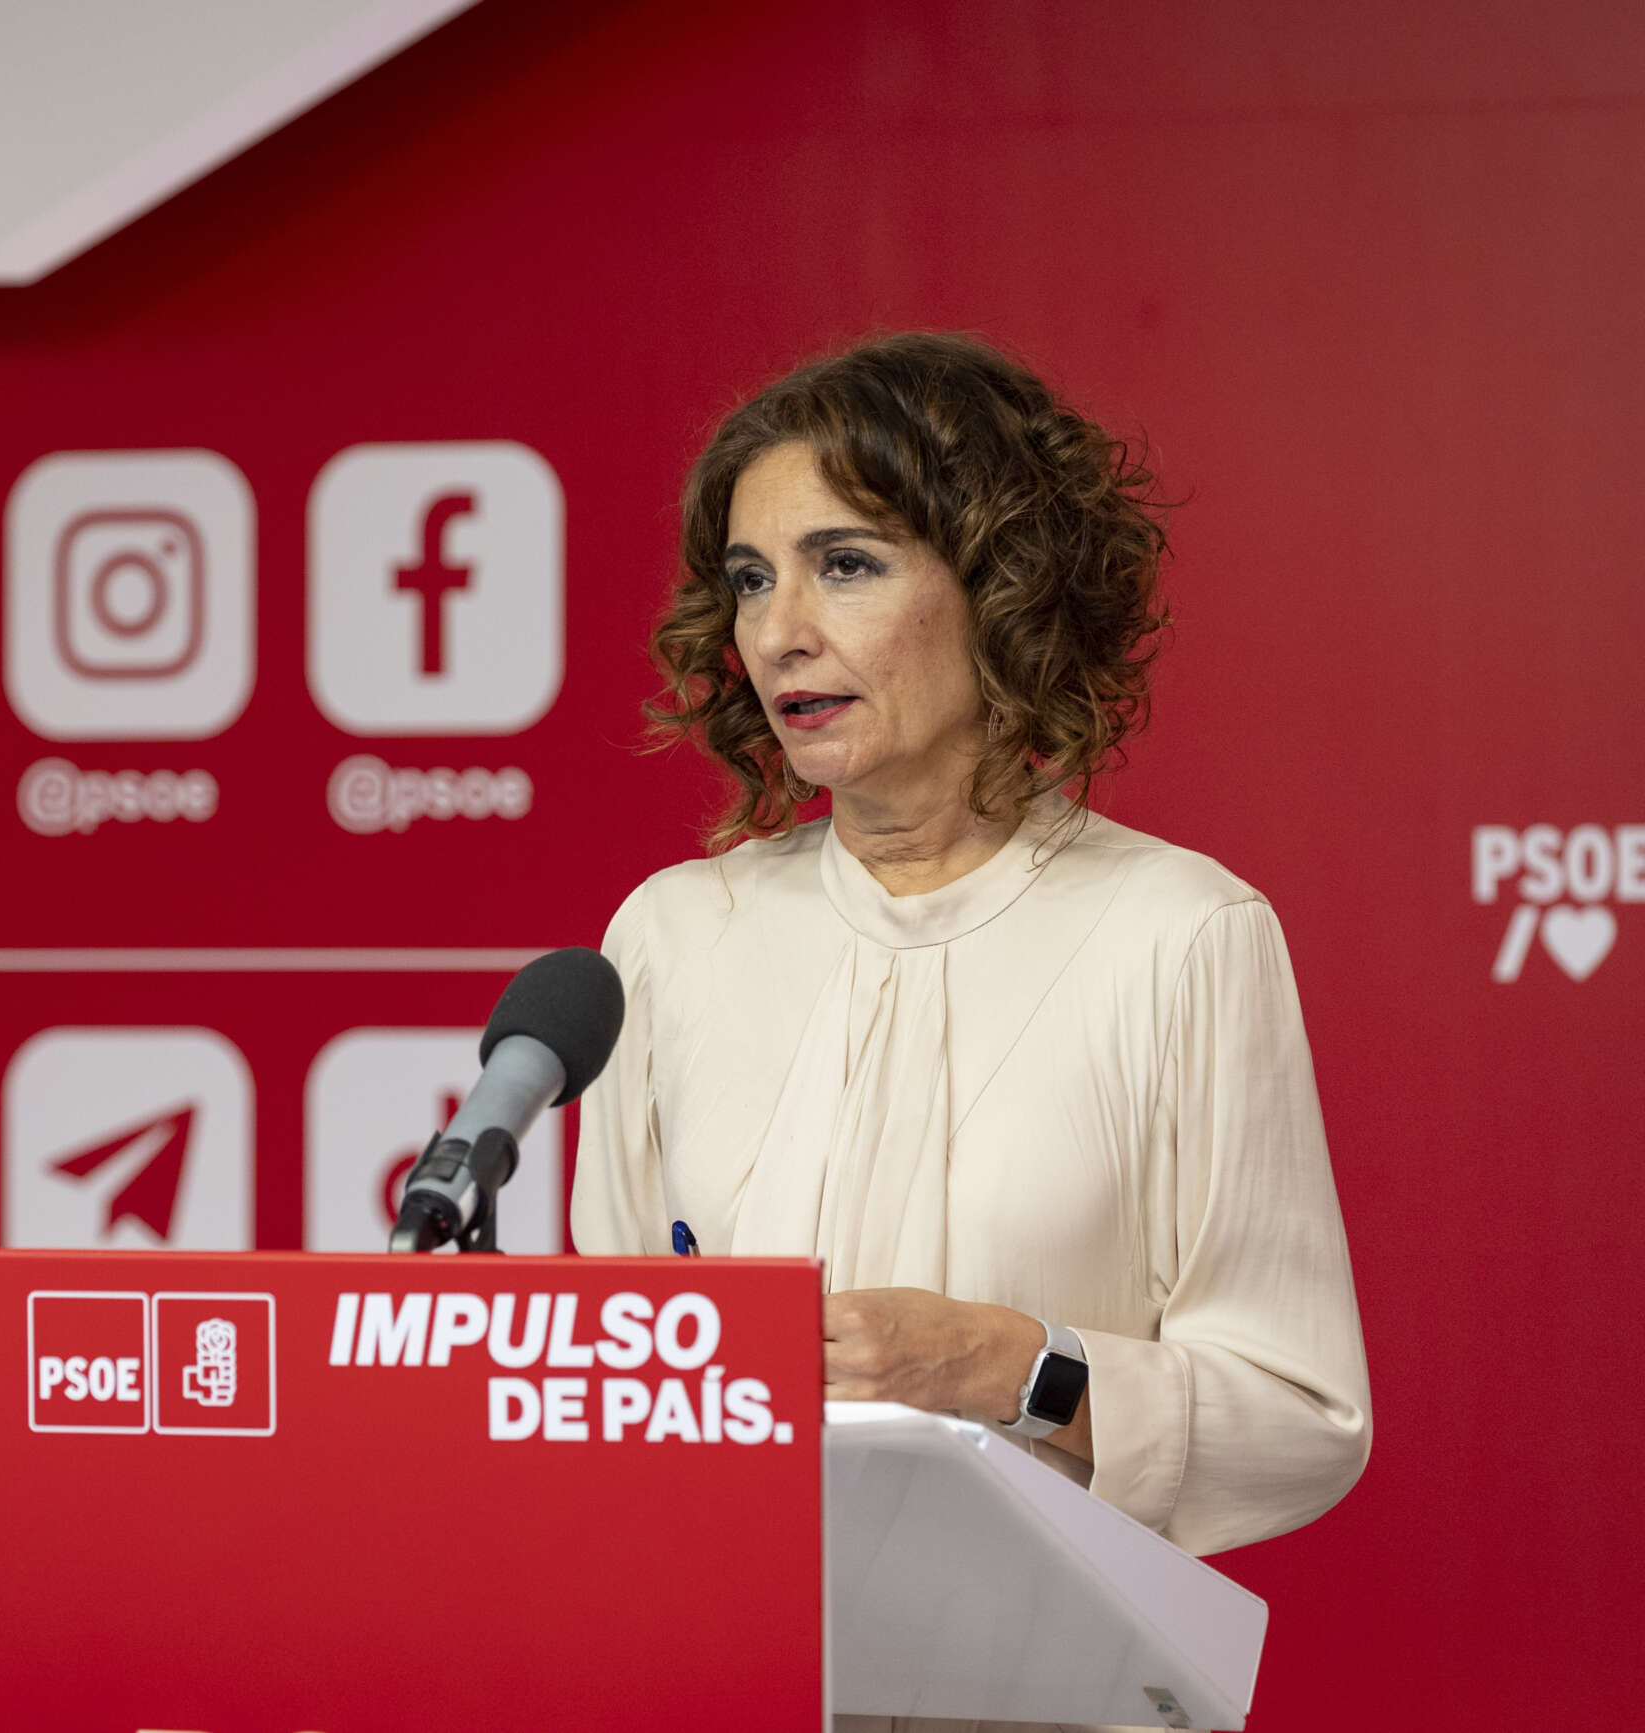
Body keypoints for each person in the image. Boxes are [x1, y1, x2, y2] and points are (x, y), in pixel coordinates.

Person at [572, 334, 1370, 1729]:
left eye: (848, 564)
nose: (778, 630)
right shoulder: (670, 935)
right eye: (751, 579)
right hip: (720, 1690)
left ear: (1001, 590)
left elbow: (1302, 1416)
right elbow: (608, 1384)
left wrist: (1018, 1369)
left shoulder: (1181, 931)